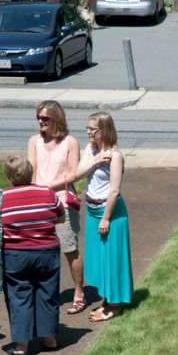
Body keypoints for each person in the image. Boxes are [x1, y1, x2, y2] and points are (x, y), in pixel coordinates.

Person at [0, 156, 65, 355]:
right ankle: (50, 339)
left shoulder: (0, 197)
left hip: (16, 255)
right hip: (47, 252)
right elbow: (60, 217)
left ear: (9, 176)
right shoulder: (47, 193)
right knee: (48, 293)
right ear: (30, 172)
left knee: (19, 296)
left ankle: (22, 346)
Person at [27, 100, 86, 316]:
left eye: (45, 118)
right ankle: (43, 293)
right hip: (39, 202)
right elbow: (31, 170)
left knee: (70, 248)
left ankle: (79, 294)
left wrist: (48, 187)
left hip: (62, 201)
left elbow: (73, 174)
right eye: (39, 118)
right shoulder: (34, 141)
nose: (41, 121)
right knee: (39, 251)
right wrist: (33, 194)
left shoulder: (70, 142)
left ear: (56, 119)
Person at [74, 111, 134, 322]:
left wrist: (106, 218)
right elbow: (78, 173)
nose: (88, 132)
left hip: (109, 212)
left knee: (112, 258)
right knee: (98, 258)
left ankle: (115, 306)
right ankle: (108, 300)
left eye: (93, 129)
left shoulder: (115, 156)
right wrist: (95, 161)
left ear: (105, 130)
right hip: (91, 210)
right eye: (87, 128)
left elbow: (114, 190)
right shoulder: (91, 149)